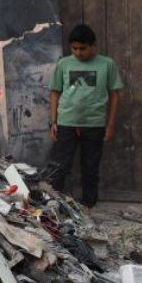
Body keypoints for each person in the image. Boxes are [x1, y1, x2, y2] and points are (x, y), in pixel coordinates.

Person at [47, 24, 123, 207]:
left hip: (94, 124)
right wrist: (53, 121)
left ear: (93, 46)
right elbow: (55, 92)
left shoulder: (107, 64)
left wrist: (110, 125)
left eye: (83, 48)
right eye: (74, 48)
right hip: (66, 122)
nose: (79, 53)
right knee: (59, 166)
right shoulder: (64, 64)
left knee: (90, 167)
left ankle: (89, 203)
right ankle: (53, 201)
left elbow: (115, 94)